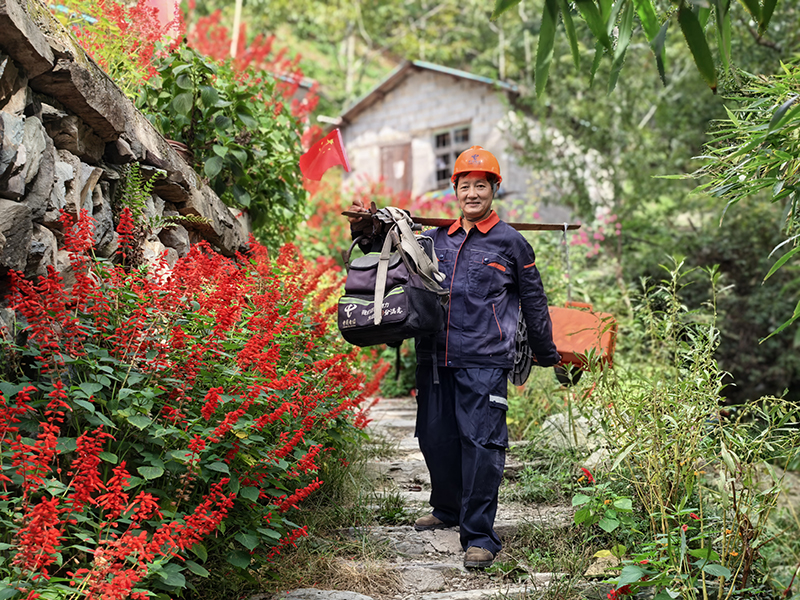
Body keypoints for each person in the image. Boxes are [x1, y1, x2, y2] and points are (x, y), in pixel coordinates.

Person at [348, 146, 561, 568]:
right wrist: (369, 228)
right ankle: (446, 508)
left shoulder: (512, 243)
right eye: (465, 186)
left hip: (484, 360)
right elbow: (393, 256)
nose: (472, 193)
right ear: (456, 191)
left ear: (493, 189)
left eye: (481, 185)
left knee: (482, 445)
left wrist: (545, 353)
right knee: (435, 438)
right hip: (433, 357)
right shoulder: (437, 239)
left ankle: (480, 534)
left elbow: (534, 302)